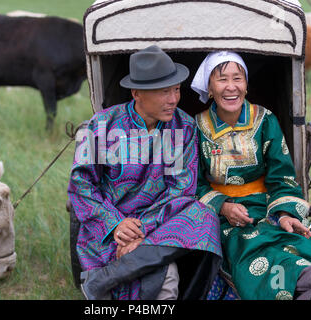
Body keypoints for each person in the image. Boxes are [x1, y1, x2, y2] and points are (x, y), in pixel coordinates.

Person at [191, 50, 311, 300]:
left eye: (238, 78)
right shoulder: (196, 127)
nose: (231, 87)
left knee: (290, 239)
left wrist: (285, 213)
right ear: (209, 87)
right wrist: (223, 207)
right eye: (222, 79)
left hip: (267, 207)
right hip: (222, 218)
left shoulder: (265, 121)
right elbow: (193, 183)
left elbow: (282, 177)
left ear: (246, 85)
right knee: (252, 248)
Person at [68, 45, 222, 300]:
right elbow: (81, 185)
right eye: (164, 92)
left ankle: (107, 278)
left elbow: (180, 191)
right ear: (136, 92)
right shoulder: (103, 125)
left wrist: (141, 233)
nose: (173, 99)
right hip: (108, 228)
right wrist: (116, 224)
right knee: (160, 274)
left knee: (204, 216)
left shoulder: (183, 127)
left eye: (176, 89)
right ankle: (113, 274)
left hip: (158, 227)